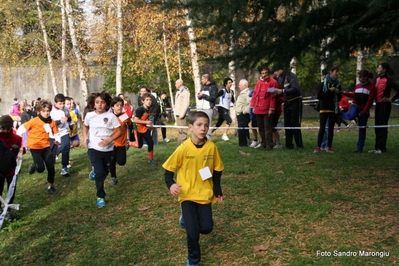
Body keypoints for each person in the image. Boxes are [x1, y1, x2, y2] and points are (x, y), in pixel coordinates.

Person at [162, 111, 224, 266]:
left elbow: (217, 170)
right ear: (190, 127)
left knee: (207, 227)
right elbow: (169, 169)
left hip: (204, 194)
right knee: (193, 232)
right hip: (187, 194)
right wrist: (171, 184)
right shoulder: (183, 148)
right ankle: (193, 260)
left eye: (206, 125)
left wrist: (217, 190)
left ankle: (184, 220)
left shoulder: (212, 148)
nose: (203, 128)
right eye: (199, 125)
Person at [83, 91, 122, 208]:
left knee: (105, 172)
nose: (100, 105)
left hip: (108, 149)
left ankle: (96, 172)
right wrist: (85, 137)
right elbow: (85, 126)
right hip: (94, 148)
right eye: (97, 102)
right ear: (94, 104)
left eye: (102, 102)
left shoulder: (111, 117)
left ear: (107, 104)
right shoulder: (89, 115)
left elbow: (119, 131)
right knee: (100, 173)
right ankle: (100, 196)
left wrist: (109, 140)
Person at [16, 99, 60, 194]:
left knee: (51, 166)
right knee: (40, 169)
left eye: (48, 111)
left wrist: (57, 140)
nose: (46, 113)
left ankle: (50, 186)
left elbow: (56, 133)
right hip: (35, 147)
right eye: (44, 111)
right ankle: (35, 165)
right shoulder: (34, 121)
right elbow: (21, 129)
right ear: (39, 111)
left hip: (46, 147)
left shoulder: (51, 122)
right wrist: (17, 139)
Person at [341, 70, 376, 153]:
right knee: (351, 116)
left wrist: (364, 111)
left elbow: (370, 101)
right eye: (358, 77)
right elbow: (354, 95)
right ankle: (338, 114)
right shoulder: (357, 86)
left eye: (360, 77)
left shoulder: (372, 87)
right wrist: (345, 93)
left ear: (366, 77)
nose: (359, 79)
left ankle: (360, 147)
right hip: (356, 105)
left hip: (364, 110)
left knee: (362, 128)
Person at [369, 62, 399, 154]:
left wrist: (391, 99)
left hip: (384, 105)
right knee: (377, 126)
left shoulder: (388, 80)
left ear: (384, 70)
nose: (378, 70)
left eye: (379, 68)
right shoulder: (377, 79)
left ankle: (382, 148)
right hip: (378, 104)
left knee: (382, 126)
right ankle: (377, 147)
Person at [273, 63, 304, 149]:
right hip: (286, 102)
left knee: (295, 123)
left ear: (280, 69)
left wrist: (282, 91)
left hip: (295, 100)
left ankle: (299, 145)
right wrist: (275, 92)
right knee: (287, 123)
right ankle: (289, 144)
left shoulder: (291, 76)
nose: (275, 73)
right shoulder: (279, 78)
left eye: (275, 71)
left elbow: (295, 88)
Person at [0, 115, 25, 220]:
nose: (5, 131)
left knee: (11, 190)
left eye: (8, 128)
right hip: (0, 169)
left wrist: (17, 149)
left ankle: (7, 210)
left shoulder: (16, 138)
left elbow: (22, 150)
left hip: (12, 168)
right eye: (3, 128)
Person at [314, 66, 342, 153]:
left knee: (331, 128)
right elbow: (320, 96)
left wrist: (338, 93)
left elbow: (340, 98)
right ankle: (318, 146)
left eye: (338, 72)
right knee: (322, 128)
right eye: (335, 71)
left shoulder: (338, 84)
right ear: (330, 72)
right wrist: (329, 91)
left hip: (333, 108)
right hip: (324, 108)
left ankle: (329, 147)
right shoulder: (323, 84)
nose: (337, 73)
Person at [251, 66, 279, 150]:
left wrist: (271, 108)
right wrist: (253, 106)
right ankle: (263, 143)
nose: (264, 75)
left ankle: (269, 144)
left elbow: (272, 97)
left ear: (268, 73)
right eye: (262, 73)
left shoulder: (272, 82)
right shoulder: (259, 82)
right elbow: (255, 95)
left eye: (265, 73)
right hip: (258, 108)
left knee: (268, 127)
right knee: (261, 127)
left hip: (267, 108)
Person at [109, 96, 131, 186]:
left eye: (120, 105)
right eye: (117, 105)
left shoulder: (124, 116)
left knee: (121, 162)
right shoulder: (109, 116)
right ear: (112, 107)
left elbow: (131, 124)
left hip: (122, 143)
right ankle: (113, 178)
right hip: (111, 143)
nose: (119, 107)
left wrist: (131, 138)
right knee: (112, 161)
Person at [133, 92, 157, 165]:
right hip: (138, 129)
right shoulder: (140, 110)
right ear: (142, 101)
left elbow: (146, 120)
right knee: (139, 145)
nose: (149, 101)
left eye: (150, 100)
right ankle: (128, 143)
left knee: (151, 142)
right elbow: (135, 120)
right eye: (147, 100)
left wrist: (151, 126)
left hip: (144, 129)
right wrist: (146, 122)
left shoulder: (148, 109)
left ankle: (150, 159)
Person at [50, 93, 71, 176]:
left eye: (63, 103)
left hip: (64, 131)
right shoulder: (51, 110)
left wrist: (71, 125)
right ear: (55, 103)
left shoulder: (65, 109)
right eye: (60, 104)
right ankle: (50, 167)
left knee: (66, 147)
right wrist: (59, 121)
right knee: (52, 152)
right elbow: (49, 123)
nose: (62, 105)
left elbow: (68, 118)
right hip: (54, 133)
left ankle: (64, 168)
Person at [197, 74, 218, 140]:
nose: (201, 80)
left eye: (202, 79)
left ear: (206, 79)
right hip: (201, 108)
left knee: (208, 125)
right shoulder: (203, 87)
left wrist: (203, 95)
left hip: (208, 109)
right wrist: (199, 96)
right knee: (200, 124)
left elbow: (213, 98)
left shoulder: (213, 87)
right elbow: (201, 97)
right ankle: (201, 138)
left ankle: (208, 139)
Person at [235, 79, 251, 146]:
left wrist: (244, 111)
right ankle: (247, 140)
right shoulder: (242, 92)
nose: (239, 86)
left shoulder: (247, 93)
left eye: (240, 85)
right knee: (243, 128)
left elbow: (250, 103)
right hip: (240, 114)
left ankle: (243, 144)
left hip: (244, 114)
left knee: (242, 129)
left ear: (245, 85)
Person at [174, 79, 191, 145]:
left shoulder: (185, 92)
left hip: (182, 114)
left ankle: (183, 143)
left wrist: (182, 114)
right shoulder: (178, 91)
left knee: (183, 130)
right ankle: (179, 143)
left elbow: (186, 104)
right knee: (179, 130)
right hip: (178, 113)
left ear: (180, 84)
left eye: (176, 83)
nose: (175, 85)